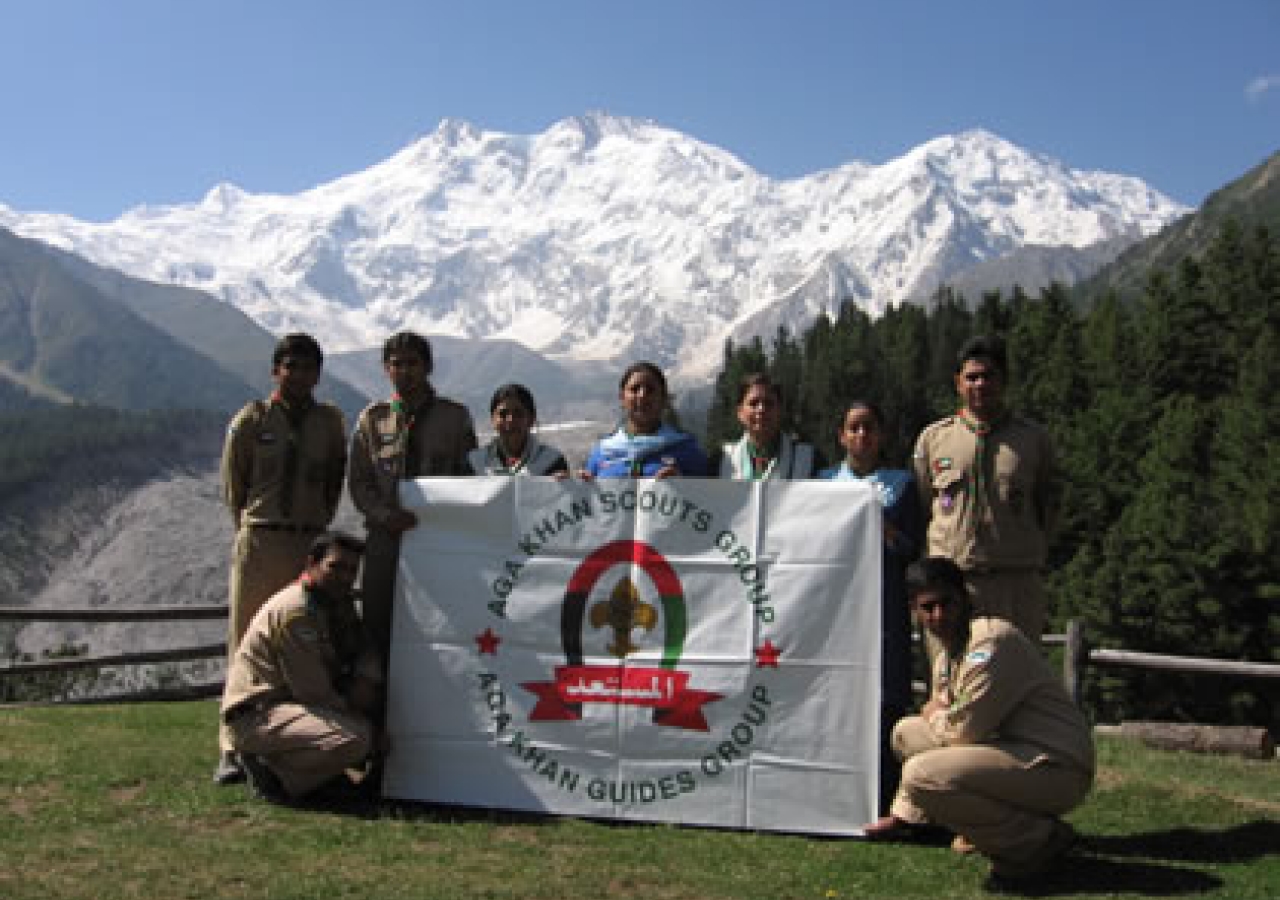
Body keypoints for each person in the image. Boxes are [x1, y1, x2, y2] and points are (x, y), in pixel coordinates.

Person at [864, 557, 1093, 884]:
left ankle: (1035, 842)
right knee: (905, 733)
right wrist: (904, 813)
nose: (939, 615)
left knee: (922, 774)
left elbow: (962, 731)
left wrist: (934, 710)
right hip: (1013, 751)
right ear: (915, 610)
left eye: (947, 603)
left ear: (965, 597)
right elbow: (951, 722)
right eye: (928, 607)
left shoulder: (990, 641)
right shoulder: (948, 656)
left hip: (1056, 765)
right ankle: (917, 820)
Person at [215, 333, 347, 785]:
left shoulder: (329, 424)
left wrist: (313, 527)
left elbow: (333, 481)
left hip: (307, 542)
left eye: (309, 368)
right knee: (246, 637)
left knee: (302, 638)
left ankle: (287, 745)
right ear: (277, 370)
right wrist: (256, 525)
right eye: (291, 366)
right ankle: (232, 747)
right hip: (263, 539)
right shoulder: (251, 420)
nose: (300, 375)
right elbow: (236, 486)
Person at [911, 335, 1057, 642]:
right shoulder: (934, 440)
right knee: (951, 680)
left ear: (1004, 380)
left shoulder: (1032, 440)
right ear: (958, 383)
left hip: (1015, 583)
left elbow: (1046, 505)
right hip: (952, 586)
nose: (980, 384)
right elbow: (926, 504)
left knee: (1018, 679)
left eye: (988, 376)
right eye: (972, 377)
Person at [221, 531, 383, 804]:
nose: (345, 576)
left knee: (361, 733)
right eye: (335, 567)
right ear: (312, 563)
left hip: (292, 710)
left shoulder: (336, 605)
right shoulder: (296, 612)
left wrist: (367, 677)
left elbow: (364, 647)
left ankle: (316, 777)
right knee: (355, 738)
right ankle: (274, 774)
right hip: (259, 713)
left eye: (352, 570)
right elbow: (312, 690)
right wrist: (364, 718)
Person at [349, 331, 477, 670]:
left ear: (428, 366)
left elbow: (471, 478)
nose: (404, 371)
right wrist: (384, 515)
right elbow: (359, 481)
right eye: (396, 364)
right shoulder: (373, 420)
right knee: (378, 624)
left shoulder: (455, 418)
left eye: (412, 363)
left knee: (439, 623)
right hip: (384, 540)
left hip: (437, 540)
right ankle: (377, 710)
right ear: (385, 369)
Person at [819, 401, 922, 815]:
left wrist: (887, 531)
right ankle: (832, 791)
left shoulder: (901, 484)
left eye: (870, 428)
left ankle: (887, 797)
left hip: (885, 606)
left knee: (886, 697)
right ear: (841, 436)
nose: (862, 436)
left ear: (881, 436)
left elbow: (914, 548)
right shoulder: (824, 481)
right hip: (835, 608)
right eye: (854, 428)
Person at [581, 361, 709, 478]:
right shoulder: (601, 452)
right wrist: (569, 487)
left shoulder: (687, 450)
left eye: (650, 390)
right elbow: (587, 499)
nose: (642, 395)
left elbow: (709, 497)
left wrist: (682, 484)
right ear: (622, 398)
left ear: (664, 399)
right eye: (634, 389)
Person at [715, 373, 822, 479]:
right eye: (753, 403)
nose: (761, 409)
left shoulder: (809, 459)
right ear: (740, 412)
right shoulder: (722, 461)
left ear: (780, 410)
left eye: (769, 403)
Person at [465, 383, 570, 476]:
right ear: (493, 419)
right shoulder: (476, 462)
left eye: (518, 413)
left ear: (531, 419)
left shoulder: (551, 461)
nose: (510, 420)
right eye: (503, 414)